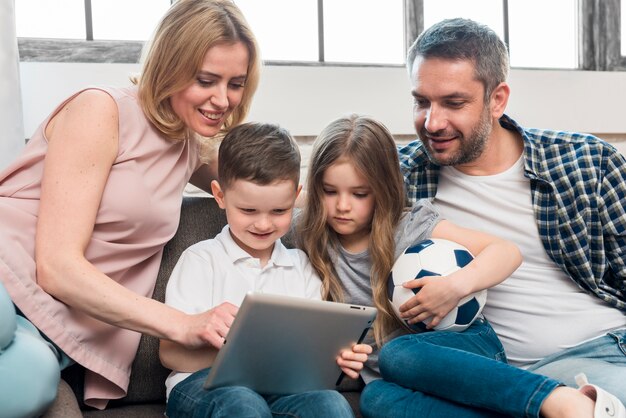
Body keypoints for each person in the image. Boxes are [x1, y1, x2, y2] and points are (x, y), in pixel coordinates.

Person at [0, 0, 262, 415]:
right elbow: (56, 266)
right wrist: (183, 322)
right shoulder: (101, 109)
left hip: (42, 335)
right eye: (206, 80)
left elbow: (267, 186)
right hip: (7, 280)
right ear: (169, 66)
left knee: (32, 378)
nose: (222, 99)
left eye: (235, 83)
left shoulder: (191, 147)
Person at [362, 17, 626, 418]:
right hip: (493, 375)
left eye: (453, 103)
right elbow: (311, 222)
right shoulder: (397, 180)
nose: (432, 123)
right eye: (421, 101)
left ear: (497, 99)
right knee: (380, 397)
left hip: (600, 349)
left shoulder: (587, 162)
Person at [160, 121, 370, 418]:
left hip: (281, 389)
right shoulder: (201, 260)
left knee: (330, 404)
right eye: (248, 211)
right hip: (204, 385)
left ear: (295, 197)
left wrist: (336, 358)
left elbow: (310, 357)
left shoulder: (301, 266)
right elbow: (170, 354)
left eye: (279, 211)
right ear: (220, 195)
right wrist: (240, 356)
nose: (263, 224)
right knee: (243, 403)